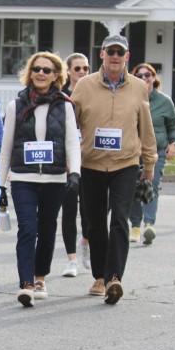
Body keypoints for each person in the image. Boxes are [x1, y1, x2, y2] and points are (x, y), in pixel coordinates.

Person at [71, 35, 157, 304]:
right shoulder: (84, 85)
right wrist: (68, 159)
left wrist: (149, 162)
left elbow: (146, 126)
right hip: (91, 163)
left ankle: (114, 278)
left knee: (120, 218)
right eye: (111, 52)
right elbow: (70, 123)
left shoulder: (139, 87)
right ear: (102, 54)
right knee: (95, 222)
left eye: (120, 52)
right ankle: (99, 276)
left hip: (125, 164)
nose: (115, 57)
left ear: (127, 56)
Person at [0, 52, 80, 307]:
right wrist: (0, 184)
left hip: (54, 179)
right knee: (27, 229)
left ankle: (40, 277)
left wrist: (75, 173)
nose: (41, 74)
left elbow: (72, 143)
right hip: (23, 178)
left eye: (47, 70)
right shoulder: (16, 106)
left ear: (56, 76)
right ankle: (26, 284)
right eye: (36, 69)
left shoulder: (65, 106)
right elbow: (6, 147)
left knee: (46, 230)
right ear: (30, 73)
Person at [129, 63, 175, 245]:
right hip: (133, 151)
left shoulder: (164, 101)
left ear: (153, 78)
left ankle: (149, 225)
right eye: (140, 76)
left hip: (157, 151)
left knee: (152, 185)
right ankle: (135, 226)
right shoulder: (130, 99)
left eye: (148, 75)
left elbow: (174, 124)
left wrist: (173, 143)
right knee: (134, 187)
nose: (144, 78)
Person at [60, 52, 91, 277]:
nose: (82, 72)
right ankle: (71, 259)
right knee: (69, 210)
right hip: (67, 161)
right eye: (78, 68)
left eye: (86, 68)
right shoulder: (61, 96)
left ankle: (86, 241)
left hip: (89, 159)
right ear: (69, 71)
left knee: (89, 211)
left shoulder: (93, 93)